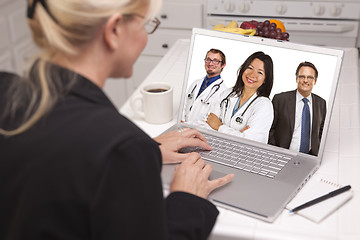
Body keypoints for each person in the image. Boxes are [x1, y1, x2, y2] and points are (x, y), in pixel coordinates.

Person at [0, 0, 234, 239]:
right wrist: (188, 200)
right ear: (114, 30)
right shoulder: (122, 147)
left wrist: (144, 150)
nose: (145, 37)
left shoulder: (5, 90)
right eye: (145, 25)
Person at [206, 51, 274, 144]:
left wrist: (219, 127)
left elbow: (249, 141)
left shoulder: (264, 105)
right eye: (250, 68)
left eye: (260, 72)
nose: (252, 75)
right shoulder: (227, 94)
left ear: (266, 79)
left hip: (245, 156)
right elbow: (208, 124)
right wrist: (239, 134)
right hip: (216, 148)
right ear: (243, 69)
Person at [268, 61, 326, 156]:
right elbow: (270, 128)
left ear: (315, 81)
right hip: (282, 155)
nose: (305, 80)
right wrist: (275, 151)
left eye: (310, 77)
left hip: (310, 157)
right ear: (296, 79)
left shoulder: (321, 103)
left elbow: (321, 132)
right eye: (302, 76)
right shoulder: (280, 99)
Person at [183, 48, 227, 124]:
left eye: (216, 61)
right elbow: (184, 105)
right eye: (208, 60)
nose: (210, 64)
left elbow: (212, 121)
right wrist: (182, 121)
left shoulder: (223, 92)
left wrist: (187, 125)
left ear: (223, 65)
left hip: (199, 132)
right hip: (182, 127)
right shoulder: (195, 83)